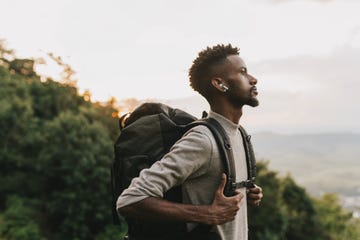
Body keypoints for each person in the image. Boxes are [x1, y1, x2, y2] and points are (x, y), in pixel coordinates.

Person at [117, 43, 263, 240]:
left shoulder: (238, 135)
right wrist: (206, 214)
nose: (253, 79)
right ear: (220, 84)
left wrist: (245, 194)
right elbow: (130, 199)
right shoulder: (203, 140)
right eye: (243, 73)